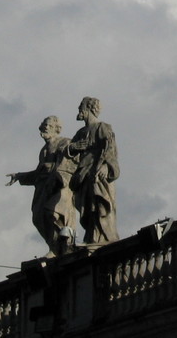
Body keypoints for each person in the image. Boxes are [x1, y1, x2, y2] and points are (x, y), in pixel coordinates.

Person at [7, 116, 77, 257]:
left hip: (58, 187)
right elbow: (38, 173)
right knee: (38, 218)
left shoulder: (64, 143)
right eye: (44, 125)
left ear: (56, 129)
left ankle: (63, 245)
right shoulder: (43, 150)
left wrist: (51, 168)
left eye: (49, 125)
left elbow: (68, 164)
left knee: (53, 213)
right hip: (43, 189)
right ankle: (54, 246)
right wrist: (19, 176)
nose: (45, 128)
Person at [66, 97, 119, 245]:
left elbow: (110, 150)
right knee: (88, 209)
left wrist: (106, 167)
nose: (79, 109)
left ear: (88, 108)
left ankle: (104, 237)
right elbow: (67, 150)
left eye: (81, 106)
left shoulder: (102, 127)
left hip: (98, 174)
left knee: (100, 206)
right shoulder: (80, 132)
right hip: (84, 175)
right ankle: (92, 237)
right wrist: (73, 148)